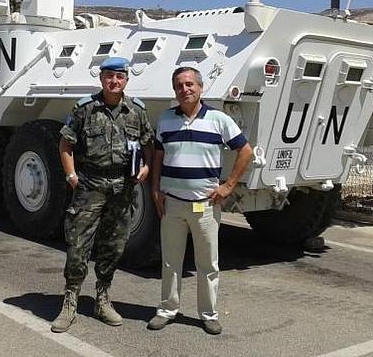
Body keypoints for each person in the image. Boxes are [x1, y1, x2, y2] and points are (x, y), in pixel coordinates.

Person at [51, 56, 154, 333]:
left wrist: (145, 168)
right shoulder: (85, 109)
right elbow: (65, 144)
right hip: (90, 185)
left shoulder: (137, 111)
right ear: (101, 79)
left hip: (122, 188)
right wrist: (71, 175)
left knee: (114, 245)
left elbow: (148, 145)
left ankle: (103, 298)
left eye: (119, 77)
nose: (114, 81)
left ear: (126, 80)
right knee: (77, 244)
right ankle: (70, 299)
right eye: (109, 76)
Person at [147, 66, 253, 335]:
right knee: (171, 261)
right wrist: (156, 189)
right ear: (175, 90)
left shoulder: (219, 120)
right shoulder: (166, 120)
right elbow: (158, 156)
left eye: (190, 84)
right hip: (172, 203)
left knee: (207, 264)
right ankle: (167, 310)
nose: (185, 89)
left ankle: (208, 314)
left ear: (200, 87)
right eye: (180, 85)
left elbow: (245, 150)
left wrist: (228, 185)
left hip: (204, 206)